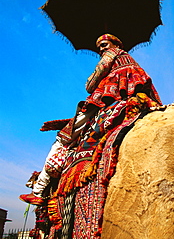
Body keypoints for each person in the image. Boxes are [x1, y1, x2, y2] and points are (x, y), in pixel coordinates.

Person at [20, 34, 161, 205]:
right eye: (99, 46)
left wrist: (91, 80)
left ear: (114, 43)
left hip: (107, 97)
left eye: (103, 44)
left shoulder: (112, 53)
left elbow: (92, 83)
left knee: (63, 137)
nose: (101, 48)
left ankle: (39, 191)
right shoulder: (127, 58)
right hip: (129, 95)